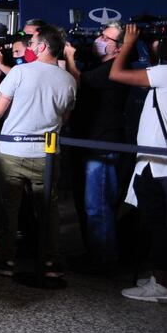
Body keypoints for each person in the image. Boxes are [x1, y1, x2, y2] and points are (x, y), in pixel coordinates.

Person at [0, 25, 77, 278]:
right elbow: (64, 118)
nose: (31, 48)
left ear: (43, 46)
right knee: (48, 208)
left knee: (9, 207)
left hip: (14, 151)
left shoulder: (21, 72)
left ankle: (6, 260)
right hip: (47, 153)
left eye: (34, 43)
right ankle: (49, 262)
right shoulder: (68, 80)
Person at [108, 24, 167, 303]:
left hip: (159, 166)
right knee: (165, 225)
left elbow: (116, 74)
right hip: (165, 164)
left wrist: (129, 42)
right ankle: (165, 277)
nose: (166, 42)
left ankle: (164, 286)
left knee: (160, 226)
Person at [63, 22, 130, 274]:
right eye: (101, 35)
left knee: (98, 205)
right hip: (87, 141)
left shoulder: (114, 69)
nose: (100, 39)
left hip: (103, 144)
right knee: (87, 203)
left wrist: (70, 58)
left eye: (106, 37)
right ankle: (94, 252)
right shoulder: (99, 65)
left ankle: (104, 260)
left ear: (120, 47)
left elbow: (81, 82)